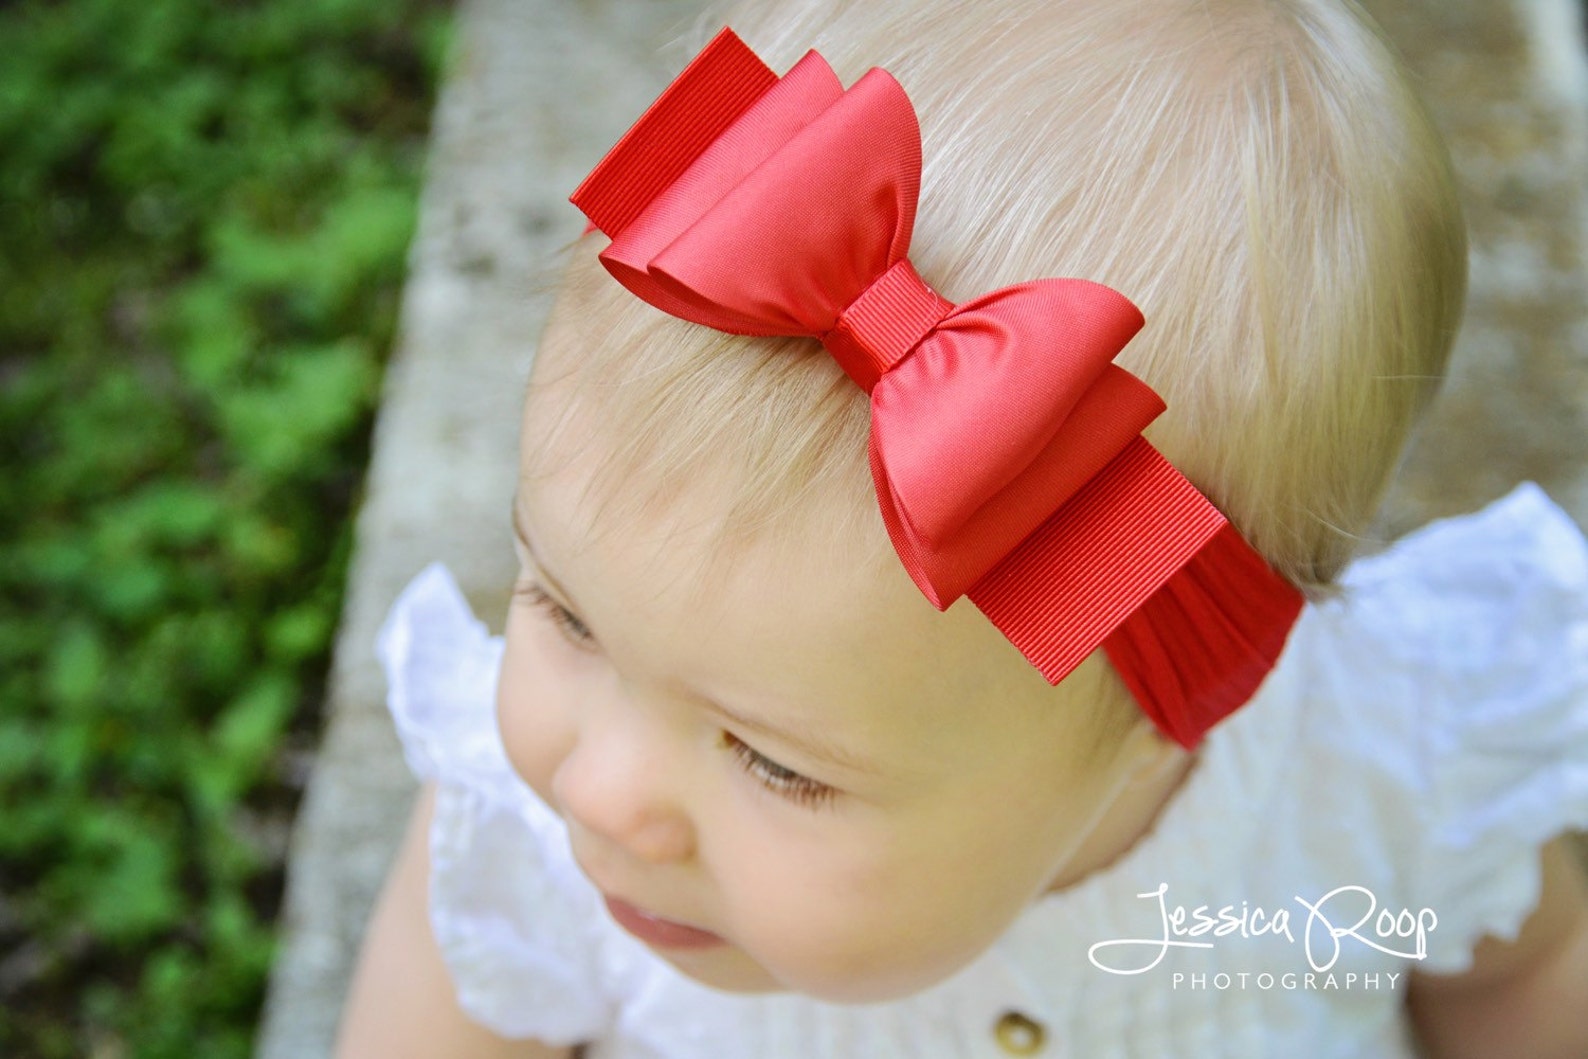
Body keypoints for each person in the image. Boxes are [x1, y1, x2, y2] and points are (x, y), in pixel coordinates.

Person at [336, 0, 1588, 1055]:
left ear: (1172, 724)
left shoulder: (1385, 778)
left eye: (775, 761)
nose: (597, 795)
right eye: (562, 610)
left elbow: (1522, 975)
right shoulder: (526, 855)